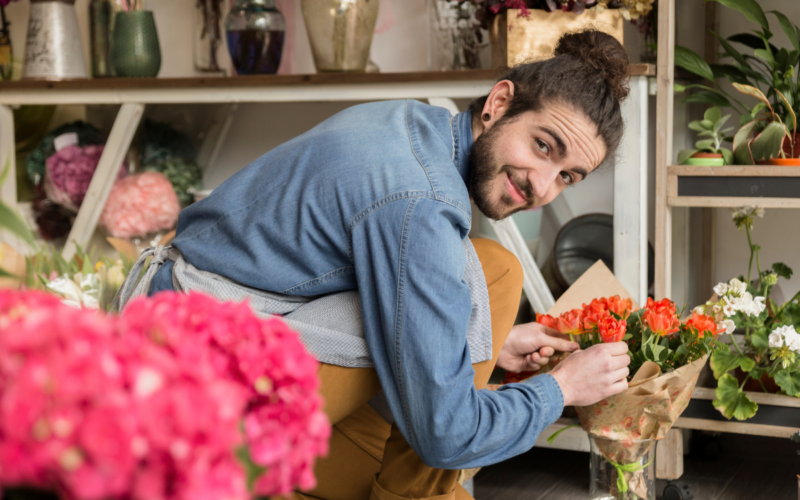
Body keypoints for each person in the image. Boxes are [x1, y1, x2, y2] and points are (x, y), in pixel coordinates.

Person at [120, 29, 632, 500]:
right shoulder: (420, 203)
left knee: (486, 270)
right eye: (543, 146)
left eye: (568, 177)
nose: (542, 185)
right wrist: (561, 388)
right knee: (488, 279)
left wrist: (494, 347)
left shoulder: (417, 126)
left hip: (194, 314)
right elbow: (446, 436)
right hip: (190, 384)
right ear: (499, 104)